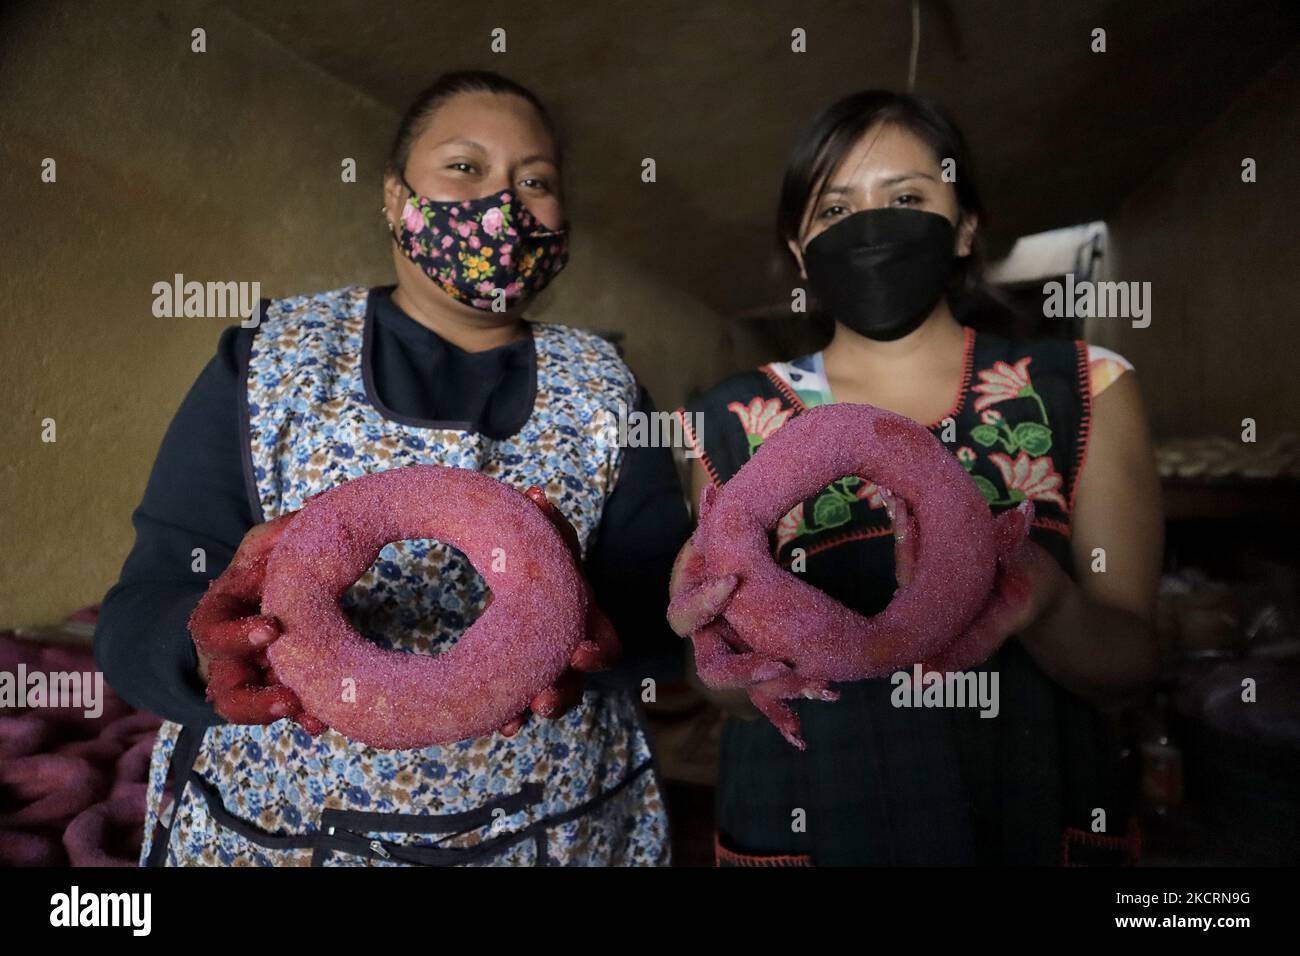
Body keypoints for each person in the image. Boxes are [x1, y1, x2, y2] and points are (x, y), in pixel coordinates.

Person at [95, 70, 690, 866]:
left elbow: (663, 616)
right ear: (392, 196)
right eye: (465, 166)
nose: (502, 205)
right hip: (288, 832)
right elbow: (142, 603)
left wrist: (603, 630)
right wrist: (205, 647)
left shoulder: (607, 384)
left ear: (564, 217)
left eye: (535, 181)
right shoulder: (273, 355)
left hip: (557, 825)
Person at [672, 90, 1162, 866]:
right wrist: (718, 648)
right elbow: (730, 695)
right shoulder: (729, 420)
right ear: (799, 253)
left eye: (905, 197)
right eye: (834, 210)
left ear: (964, 225)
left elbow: (1130, 668)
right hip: (810, 820)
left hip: (1030, 811)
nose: (869, 227)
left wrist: (1046, 600)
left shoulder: (1085, 386)